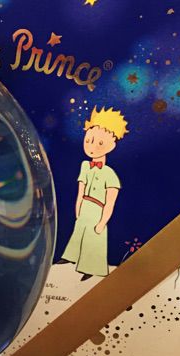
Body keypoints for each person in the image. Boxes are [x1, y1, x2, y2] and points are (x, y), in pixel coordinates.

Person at [58, 106, 128, 281]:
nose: (92, 146)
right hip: (85, 206)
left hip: (98, 210)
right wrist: (78, 208)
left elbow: (110, 201)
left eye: (100, 143)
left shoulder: (110, 174)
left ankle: (91, 268)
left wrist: (103, 221)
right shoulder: (85, 166)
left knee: (95, 238)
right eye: (89, 140)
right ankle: (70, 257)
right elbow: (81, 190)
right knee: (79, 233)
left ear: (113, 144)